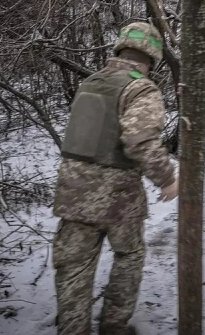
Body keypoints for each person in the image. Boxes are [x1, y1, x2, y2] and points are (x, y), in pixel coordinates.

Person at [52, 22, 178, 335]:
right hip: (118, 197)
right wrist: (167, 179)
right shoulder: (141, 88)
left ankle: (73, 328)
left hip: (73, 192)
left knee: (73, 266)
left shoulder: (90, 82)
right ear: (152, 57)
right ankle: (113, 325)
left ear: (120, 48)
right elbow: (140, 142)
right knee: (129, 255)